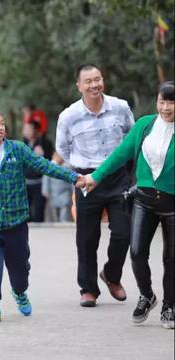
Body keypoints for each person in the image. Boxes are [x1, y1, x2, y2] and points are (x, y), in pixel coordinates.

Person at [0, 106, 84, 323]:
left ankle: (20, 292)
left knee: (20, 268)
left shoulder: (18, 149)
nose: (0, 128)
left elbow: (43, 166)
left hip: (17, 222)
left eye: (2, 123)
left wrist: (72, 177)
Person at [84, 81, 174, 329]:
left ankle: (170, 305)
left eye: (171, 102)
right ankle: (147, 295)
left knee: (171, 259)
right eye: (162, 101)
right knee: (136, 253)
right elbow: (120, 154)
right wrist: (95, 176)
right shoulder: (145, 125)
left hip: (172, 204)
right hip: (144, 200)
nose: (166, 107)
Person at [56, 64, 134, 307]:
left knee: (124, 232)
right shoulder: (69, 116)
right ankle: (88, 288)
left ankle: (111, 275)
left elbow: (132, 136)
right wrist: (79, 170)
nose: (94, 85)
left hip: (117, 177)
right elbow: (63, 148)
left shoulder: (120, 107)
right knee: (87, 238)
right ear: (78, 86)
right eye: (88, 81)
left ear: (103, 80)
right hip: (86, 180)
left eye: (97, 79)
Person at [22, 120, 54, 222]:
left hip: (40, 183)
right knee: (25, 212)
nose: (26, 131)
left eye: (29, 129)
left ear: (36, 130)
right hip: (25, 182)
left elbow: (51, 162)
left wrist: (43, 155)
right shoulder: (22, 144)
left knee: (39, 210)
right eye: (25, 129)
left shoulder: (45, 143)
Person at [42, 152, 74, 222]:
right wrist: (45, 191)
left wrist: (74, 191)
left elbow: (72, 181)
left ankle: (64, 223)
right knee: (54, 214)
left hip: (65, 193)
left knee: (64, 212)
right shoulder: (50, 166)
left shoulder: (68, 167)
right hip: (53, 194)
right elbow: (46, 180)